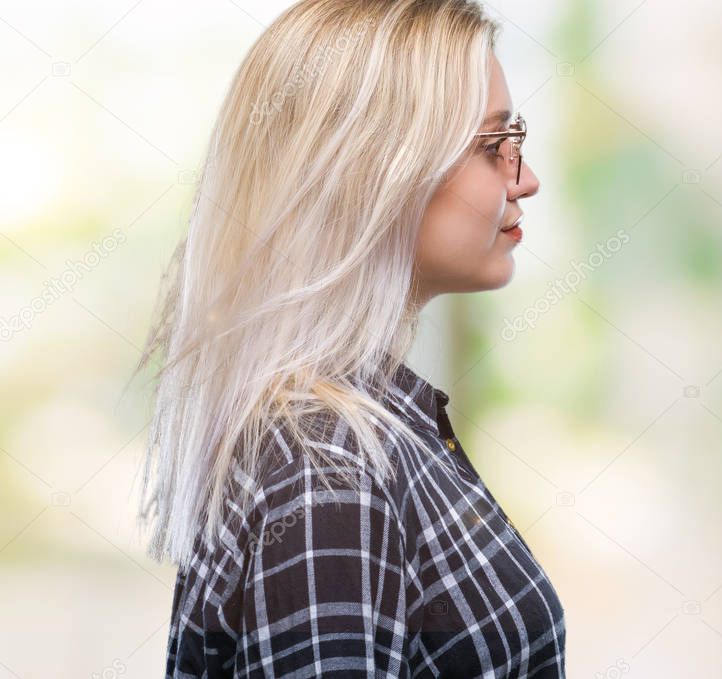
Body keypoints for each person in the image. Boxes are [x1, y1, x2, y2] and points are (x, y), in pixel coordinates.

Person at [133, 0, 564, 676]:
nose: (526, 179)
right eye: (491, 148)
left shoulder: (363, 431)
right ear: (370, 170)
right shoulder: (328, 469)